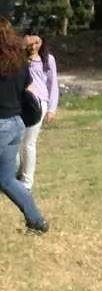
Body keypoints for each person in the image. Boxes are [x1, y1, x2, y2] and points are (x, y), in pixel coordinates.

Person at [0, 21, 48, 233]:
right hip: (16, 124)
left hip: (1, 125)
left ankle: (36, 220)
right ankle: (36, 220)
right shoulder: (19, 62)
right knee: (7, 179)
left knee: (6, 179)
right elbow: (29, 91)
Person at [19, 34, 59, 190]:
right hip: (20, 103)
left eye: (38, 42)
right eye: (31, 42)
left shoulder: (48, 60)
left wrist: (52, 108)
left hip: (38, 104)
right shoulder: (19, 57)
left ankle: (27, 182)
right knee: (16, 142)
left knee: (28, 142)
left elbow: (53, 84)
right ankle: (17, 174)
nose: (34, 46)